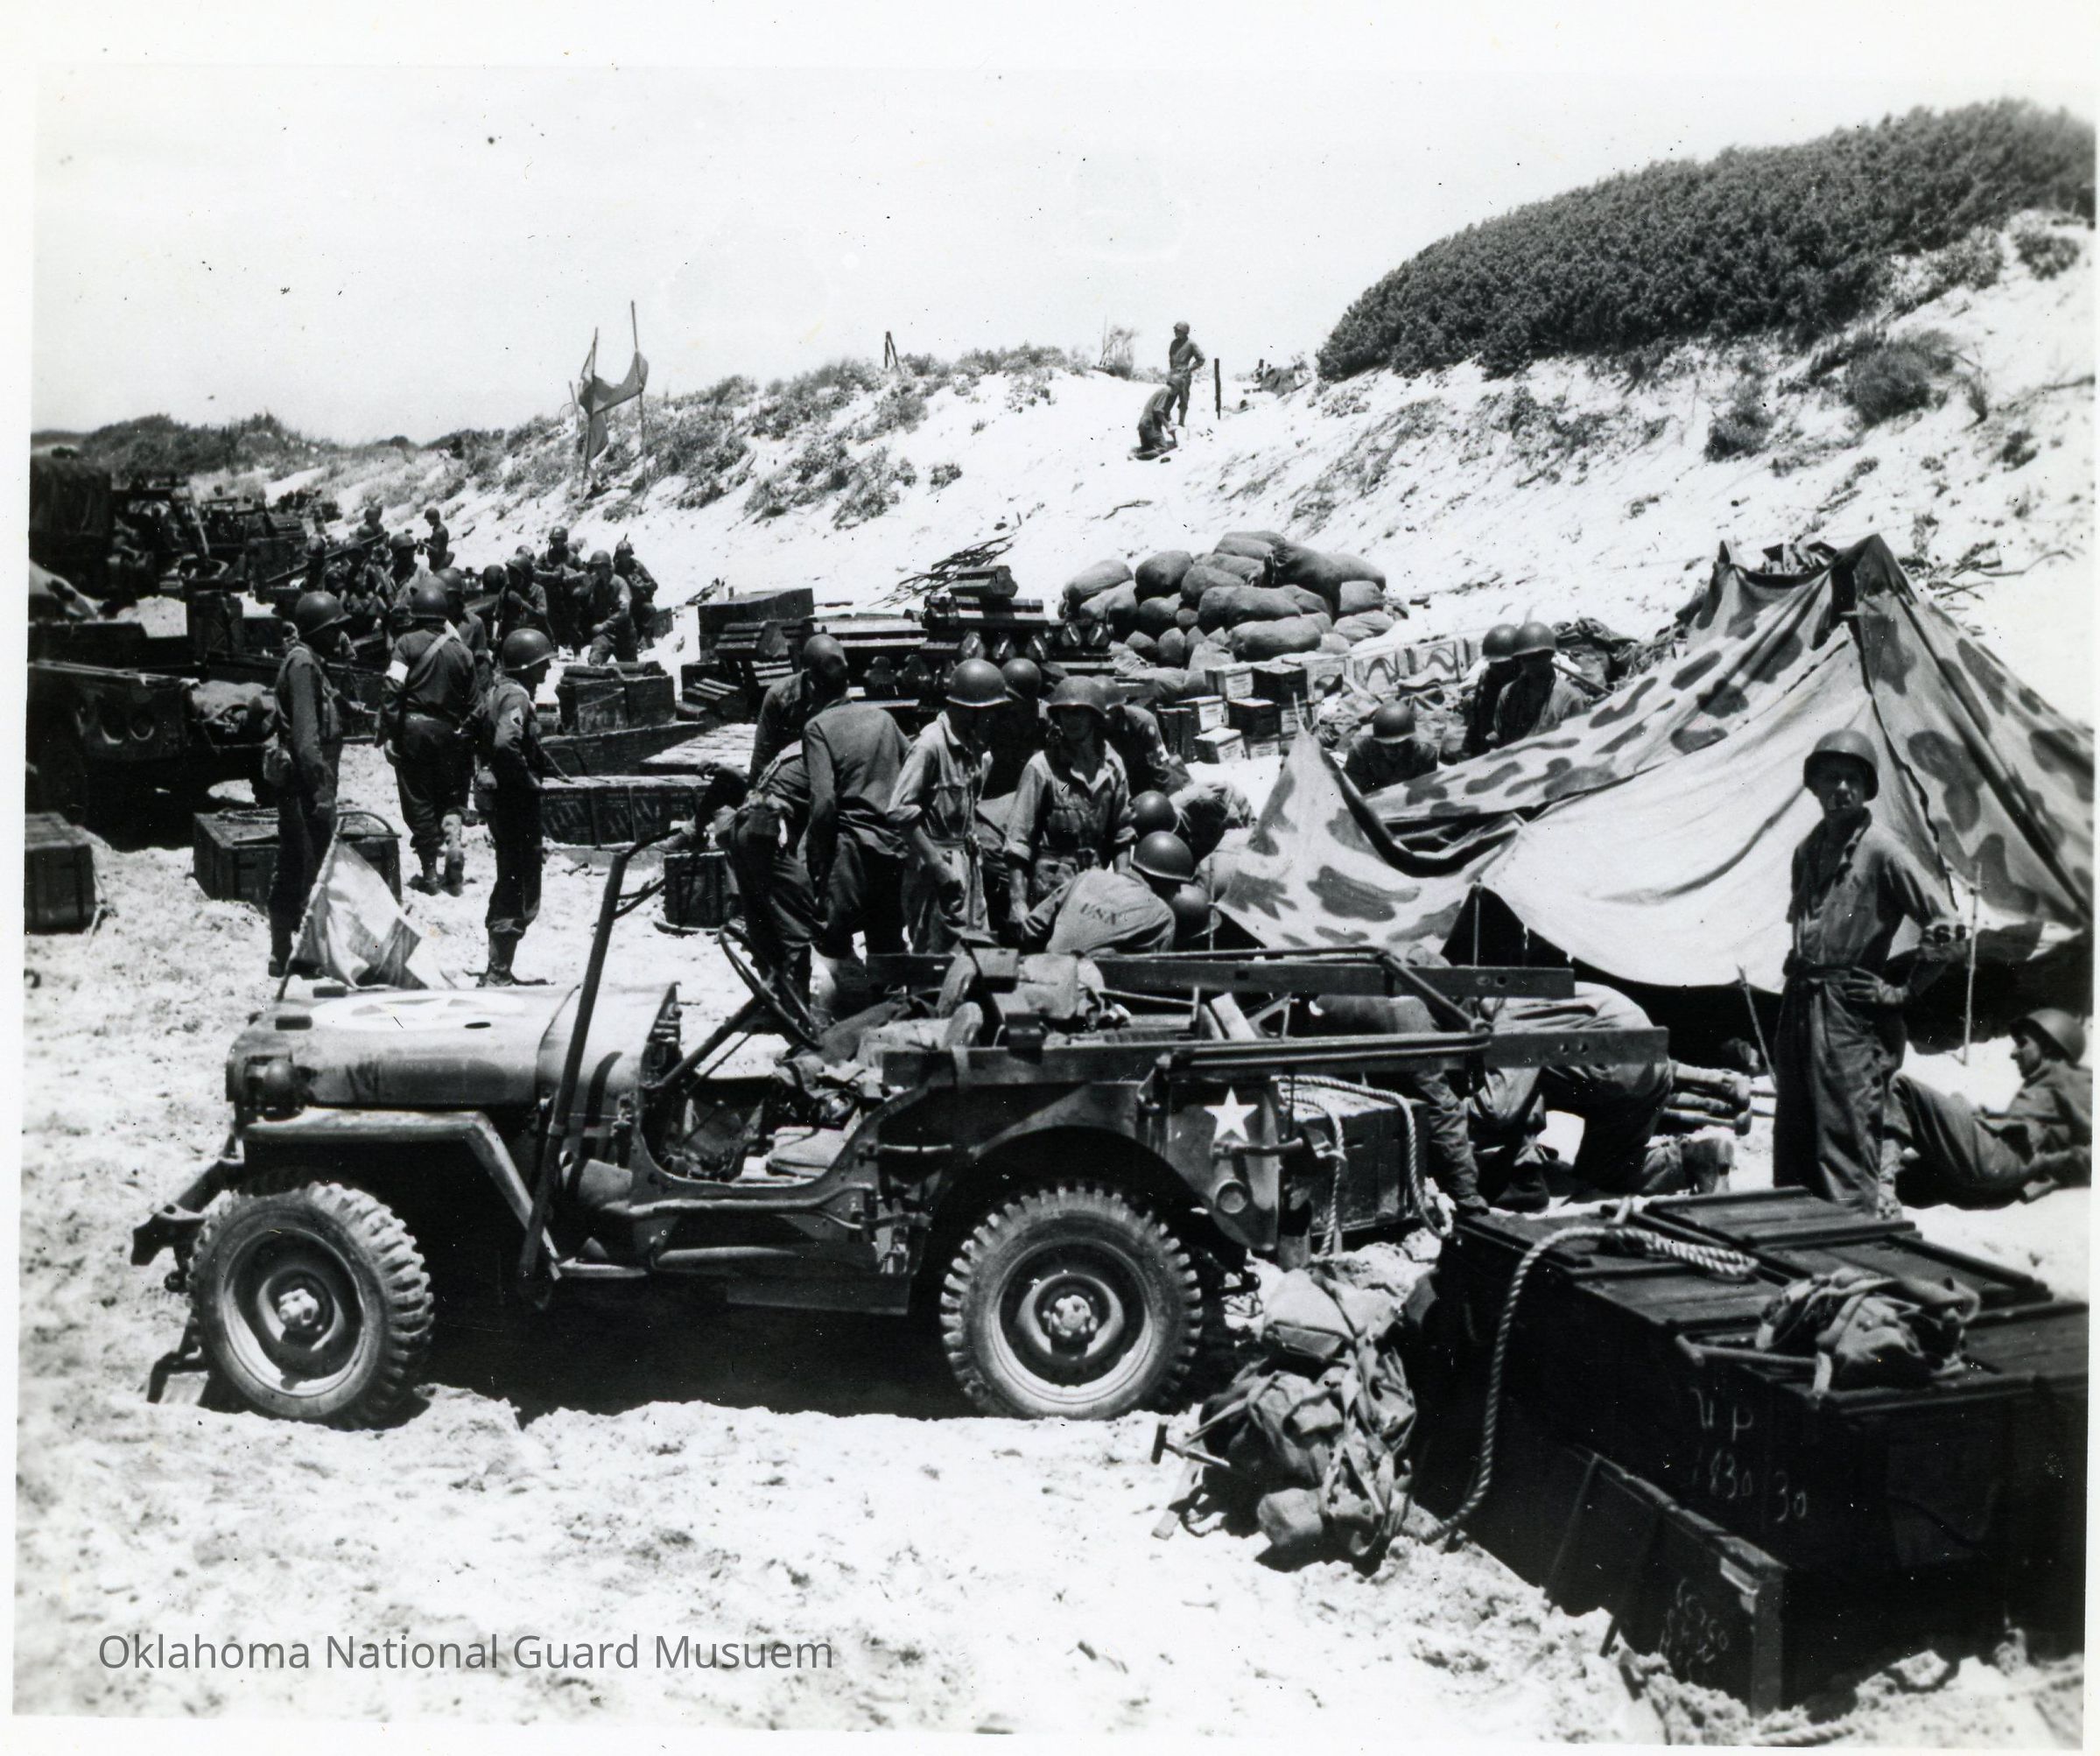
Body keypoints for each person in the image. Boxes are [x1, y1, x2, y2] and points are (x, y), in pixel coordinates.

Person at [1773, 729, 1957, 1215]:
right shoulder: (1807, 851)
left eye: (1852, 779)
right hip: (1801, 1003)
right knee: (1794, 1134)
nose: (1841, 789)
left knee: (1843, 1139)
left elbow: (1949, 929)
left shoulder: (1883, 851)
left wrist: (1902, 993)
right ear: (1814, 786)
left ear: (1866, 788)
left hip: (1849, 1013)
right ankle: (1792, 1238)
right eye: (1831, 778)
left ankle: (1851, 1239)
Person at [1467, 983, 1728, 1212]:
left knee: (1515, 1079)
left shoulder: (1509, 1016)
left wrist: (1450, 1117)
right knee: (1606, 1170)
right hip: (1654, 1069)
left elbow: (1497, 1110)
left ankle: (1522, 1176)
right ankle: (1695, 1159)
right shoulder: (1538, 992)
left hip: (1616, 1068)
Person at [1304, 989, 1490, 1216]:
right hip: (1397, 1013)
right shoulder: (1463, 996)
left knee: (1344, 1102)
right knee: (1439, 1104)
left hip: (1330, 1004)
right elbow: (1444, 1101)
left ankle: (1336, 1190)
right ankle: (1467, 1198)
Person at [1894, 1009, 2091, 1205]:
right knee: (1904, 1176)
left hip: (2003, 1160)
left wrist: (2052, 1164)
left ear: (2048, 1047)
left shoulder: (2069, 1077)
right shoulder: (2047, 1082)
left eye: (2022, 1043)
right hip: (1999, 1172)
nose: (2013, 1054)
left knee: (1902, 1089)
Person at [889, 657, 1005, 953]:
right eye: (989, 712)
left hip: (966, 861)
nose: (993, 719)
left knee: (975, 949)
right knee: (935, 955)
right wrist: (939, 867)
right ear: (971, 711)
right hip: (935, 868)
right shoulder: (930, 746)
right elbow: (900, 812)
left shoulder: (972, 745)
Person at [1003, 677, 1134, 937]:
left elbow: (1122, 833)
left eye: (1079, 713)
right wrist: (1017, 901)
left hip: (1095, 889)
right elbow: (1018, 841)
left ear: (1094, 717)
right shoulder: (1042, 767)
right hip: (1049, 891)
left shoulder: (1112, 766)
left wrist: (1123, 885)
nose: (1071, 720)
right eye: (1065, 713)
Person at [267, 591, 351, 977]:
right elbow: (305, 740)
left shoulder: (308, 662)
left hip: (301, 782)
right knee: (311, 865)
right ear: (317, 630)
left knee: (294, 860)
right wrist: (321, 790)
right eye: (333, 629)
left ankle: (283, 951)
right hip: (305, 783)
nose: (339, 636)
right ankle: (305, 955)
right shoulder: (303, 665)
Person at [804, 699, 912, 997]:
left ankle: (821, 1022)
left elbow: (823, 803)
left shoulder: (817, 727)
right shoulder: (883, 718)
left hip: (850, 850)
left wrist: (817, 858)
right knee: (888, 944)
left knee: (828, 946)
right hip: (892, 845)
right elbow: (913, 762)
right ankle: (889, 1015)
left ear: (812, 688)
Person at [382, 577, 478, 896]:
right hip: (450, 733)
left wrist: (391, 733)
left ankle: (430, 874)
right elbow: (474, 705)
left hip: (414, 732)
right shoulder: (462, 652)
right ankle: (453, 840)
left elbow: (392, 690)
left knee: (418, 798)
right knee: (449, 796)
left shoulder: (405, 645)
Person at [472, 629, 555, 986]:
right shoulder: (517, 696)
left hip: (500, 799)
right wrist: (527, 779)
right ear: (526, 665)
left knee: (510, 875)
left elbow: (475, 731)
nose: (547, 669)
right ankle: (498, 972)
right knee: (520, 880)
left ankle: (499, 968)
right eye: (542, 663)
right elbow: (507, 744)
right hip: (515, 802)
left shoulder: (497, 691)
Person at [724, 737, 822, 1011]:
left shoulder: (796, 748)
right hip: (767, 827)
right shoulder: (823, 749)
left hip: (746, 825)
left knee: (763, 922)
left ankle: (775, 1001)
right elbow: (824, 807)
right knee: (796, 923)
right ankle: (797, 1013)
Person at [1017, 830, 1187, 956]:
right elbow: (1154, 975)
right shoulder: (1163, 916)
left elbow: (1032, 926)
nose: (1178, 891)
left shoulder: (1088, 877)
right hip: (1097, 990)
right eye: (1177, 884)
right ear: (1166, 881)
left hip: (1045, 977)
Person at [752, 634, 851, 780]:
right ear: (812, 682)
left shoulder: (839, 693)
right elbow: (762, 755)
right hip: (787, 775)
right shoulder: (779, 697)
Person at [1491, 621, 1586, 748]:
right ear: (1519, 660)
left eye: (1538, 656)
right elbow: (1498, 736)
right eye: (1525, 657)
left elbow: (1578, 744)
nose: (1531, 663)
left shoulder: (1570, 698)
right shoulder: (1508, 694)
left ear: (1550, 655)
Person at [1453, 623, 1520, 760]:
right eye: (1493, 663)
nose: (1497, 669)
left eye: (1503, 665)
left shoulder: (1526, 683)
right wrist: (1469, 751)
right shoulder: (1487, 678)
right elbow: (1476, 721)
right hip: (1487, 745)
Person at [986, 656, 1048, 797]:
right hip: (1001, 781)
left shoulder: (1047, 718)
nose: (1007, 702)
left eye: (1013, 698)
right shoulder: (995, 714)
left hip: (1037, 782)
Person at [1344, 700, 1439, 792]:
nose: (1394, 750)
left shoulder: (1424, 752)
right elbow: (1353, 790)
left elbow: (1425, 788)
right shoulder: (1361, 751)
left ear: (1407, 740)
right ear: (1377, 741)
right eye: (1387, 745)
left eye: (1399, 744)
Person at [1106, 695, 1190, 798]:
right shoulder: (1099, 724)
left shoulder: (1143, 722)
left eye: (1107, 712)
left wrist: (1161, 800)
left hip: (1151, 776)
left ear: (1118, 709)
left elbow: (1159, 766)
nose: (1104, 716)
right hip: (1130, 778)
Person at [578, 550, 636, 664]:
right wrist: (587, 588)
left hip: (624, 633)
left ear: (608, 567)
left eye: (600, 567)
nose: (597, 571)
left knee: (630, 668)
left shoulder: (620, 583)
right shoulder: (597, 585)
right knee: (594, 660)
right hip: (605, 634)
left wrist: (604, 625)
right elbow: (589, 607)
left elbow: (625, 611)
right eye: (595, 568)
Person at [442, 568, 492, 700]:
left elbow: (481, 663)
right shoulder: (433, 619)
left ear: (458, 595)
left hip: (464, 687)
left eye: (448, 594)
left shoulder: (474, 623)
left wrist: (483, 695)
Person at [497, 552, 549, 643]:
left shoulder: (537, 590)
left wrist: (522, 603)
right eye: (509, 571)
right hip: (511, 636)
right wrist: (496, 635)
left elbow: (542, 615)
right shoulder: (506, 590)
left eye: (513, 572)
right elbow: (498, 617)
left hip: (533, 636)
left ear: (523, 574)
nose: (510, 575)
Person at [613, 538, 659, 633]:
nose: (624, 557)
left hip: (639, 602)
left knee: (650, 609)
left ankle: (646, 636)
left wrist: (643, 585)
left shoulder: (638, 566)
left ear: (630, 553)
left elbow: (654, 585)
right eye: (621, 554)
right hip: (623, 604)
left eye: (626, 553)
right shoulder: (615, 569)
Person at [1168, 321, 1205, 426]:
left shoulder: (1191, 344)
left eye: (1177, 330)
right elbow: (1171, 358)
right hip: (1173, 375)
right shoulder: (1173, 343)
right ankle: (1168, 423)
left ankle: (1181, 423)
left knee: (1183, 399)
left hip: (1184, 376)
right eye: (1175, 330)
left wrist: (1189, 369)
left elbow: (1201, 359)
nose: (1175, 332)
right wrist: (1172, 371)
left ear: (1184, 331)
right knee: (1168, 399)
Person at [1136, 383, 1178, 457]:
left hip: (1143, 424)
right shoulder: (1167, 391)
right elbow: (1158, 410)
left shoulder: (1163, 391)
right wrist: (1168, 427)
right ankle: (1136, 456)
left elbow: (1165, 415)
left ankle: (1136, 453)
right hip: (1150, 424)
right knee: (1163, 449)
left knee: (1148, 448)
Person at [422, 506, 451, 570]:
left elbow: (436, 550)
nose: (427, 521)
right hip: (443, 557)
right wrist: (430, 540)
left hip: (437, 562)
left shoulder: (437, 532)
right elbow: (441, 542)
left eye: (428, 519)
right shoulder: (442, 527)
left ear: (433, 519)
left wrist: (424, 544)